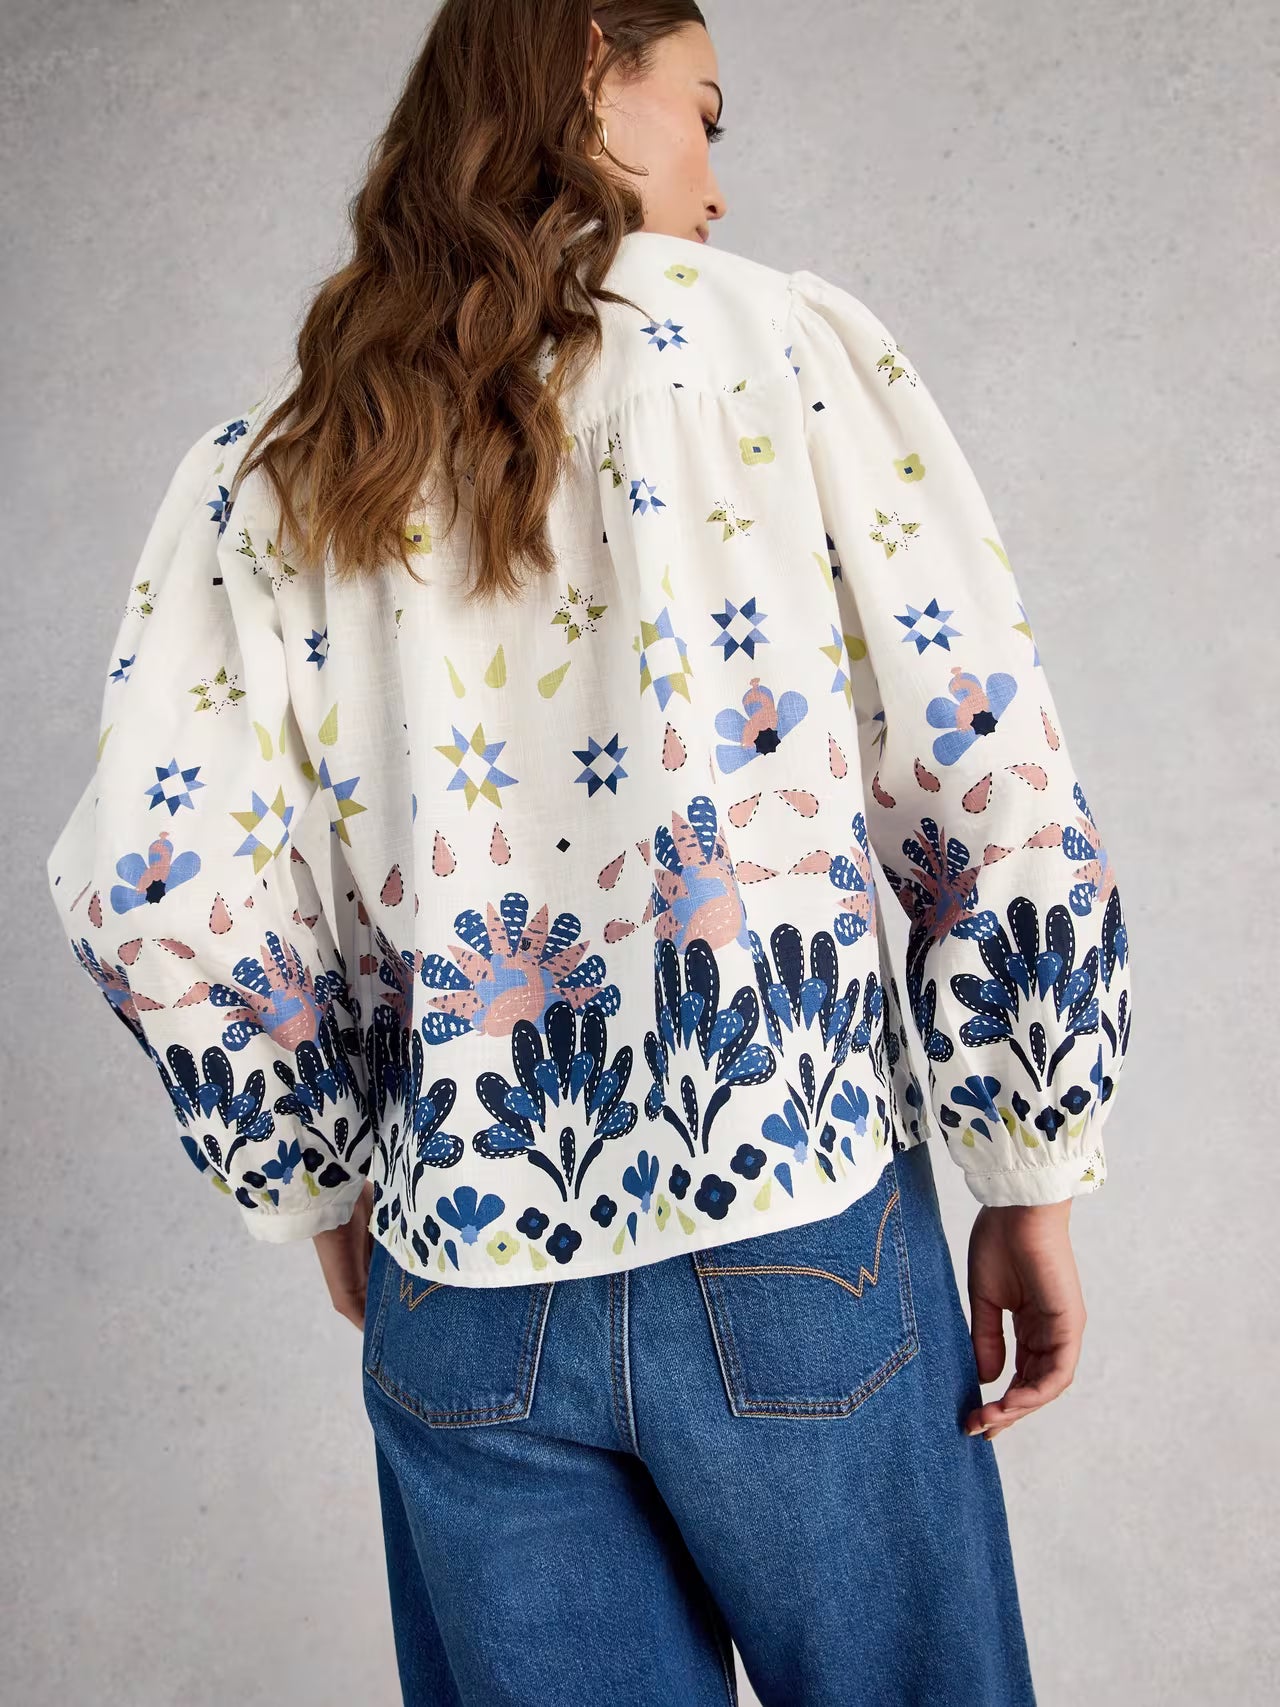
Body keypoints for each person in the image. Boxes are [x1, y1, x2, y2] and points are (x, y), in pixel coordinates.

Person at [45, 3, 1134, 1703]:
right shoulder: (773, 349)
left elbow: (157, 880)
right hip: (794, 1217)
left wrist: (321, 1174)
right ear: (583, 84)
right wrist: (1031, 1160)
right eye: (703, 111)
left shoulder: (282, 461)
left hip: (462, 1280)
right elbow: (978, 754)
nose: (717, 180)